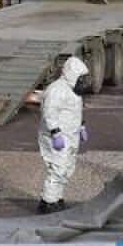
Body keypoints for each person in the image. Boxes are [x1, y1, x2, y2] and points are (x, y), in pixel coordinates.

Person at [38, 56, 91, 215]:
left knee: (67, 167)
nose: (84, 82)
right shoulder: (56, 90)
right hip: (57, 136)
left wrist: (81, 126)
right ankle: (48, 202)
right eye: (81, 78)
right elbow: (49, 113)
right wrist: (55, 133)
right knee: (58, 168)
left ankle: (56, 197)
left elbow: (75, 111)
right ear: (72, 74)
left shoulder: (73, 90)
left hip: (70, 135)